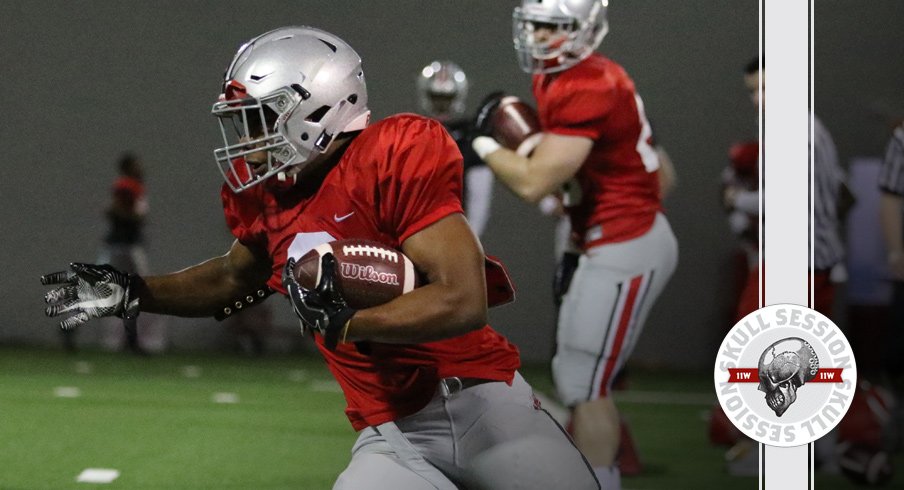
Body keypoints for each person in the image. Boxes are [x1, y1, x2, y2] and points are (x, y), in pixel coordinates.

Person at [41, 26, 600, 489]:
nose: (250, 139)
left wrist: (352, 322)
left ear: (318, 106)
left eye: (261, 119)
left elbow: (463, 298)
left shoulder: (393, 153)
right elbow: (236, 275)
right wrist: (136, 292)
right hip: (395, 436)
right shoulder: (269, 198)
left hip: (483, 403)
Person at [471, 2, 678, 488]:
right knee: (574, 376)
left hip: (626, 243)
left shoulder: (588, 84)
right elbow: (663, 175)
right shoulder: (567, 77)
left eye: (555, 27)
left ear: (586, 29)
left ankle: (600, 480)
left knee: (586, 384)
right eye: (535, 25)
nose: (541, 36)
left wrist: (480, 144)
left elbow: (531, 183)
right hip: (603, 239)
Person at [95, 152, 166, 354]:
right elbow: (114, 210)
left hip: (123, 245)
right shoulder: (126, 186)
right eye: (136, 165)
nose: (141, 168)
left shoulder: (133, 186)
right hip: (123, 245)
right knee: (140, 288)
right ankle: (134, 340)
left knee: (125, 291)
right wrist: (134, 218)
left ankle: (131, 339)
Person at [417, 60, 494, 238]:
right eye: (437, 98)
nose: (442, 105)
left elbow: (479, 199)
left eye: (446, 99)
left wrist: (470, 239)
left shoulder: (470, 137)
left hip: (454, 229)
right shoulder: (414, 132)